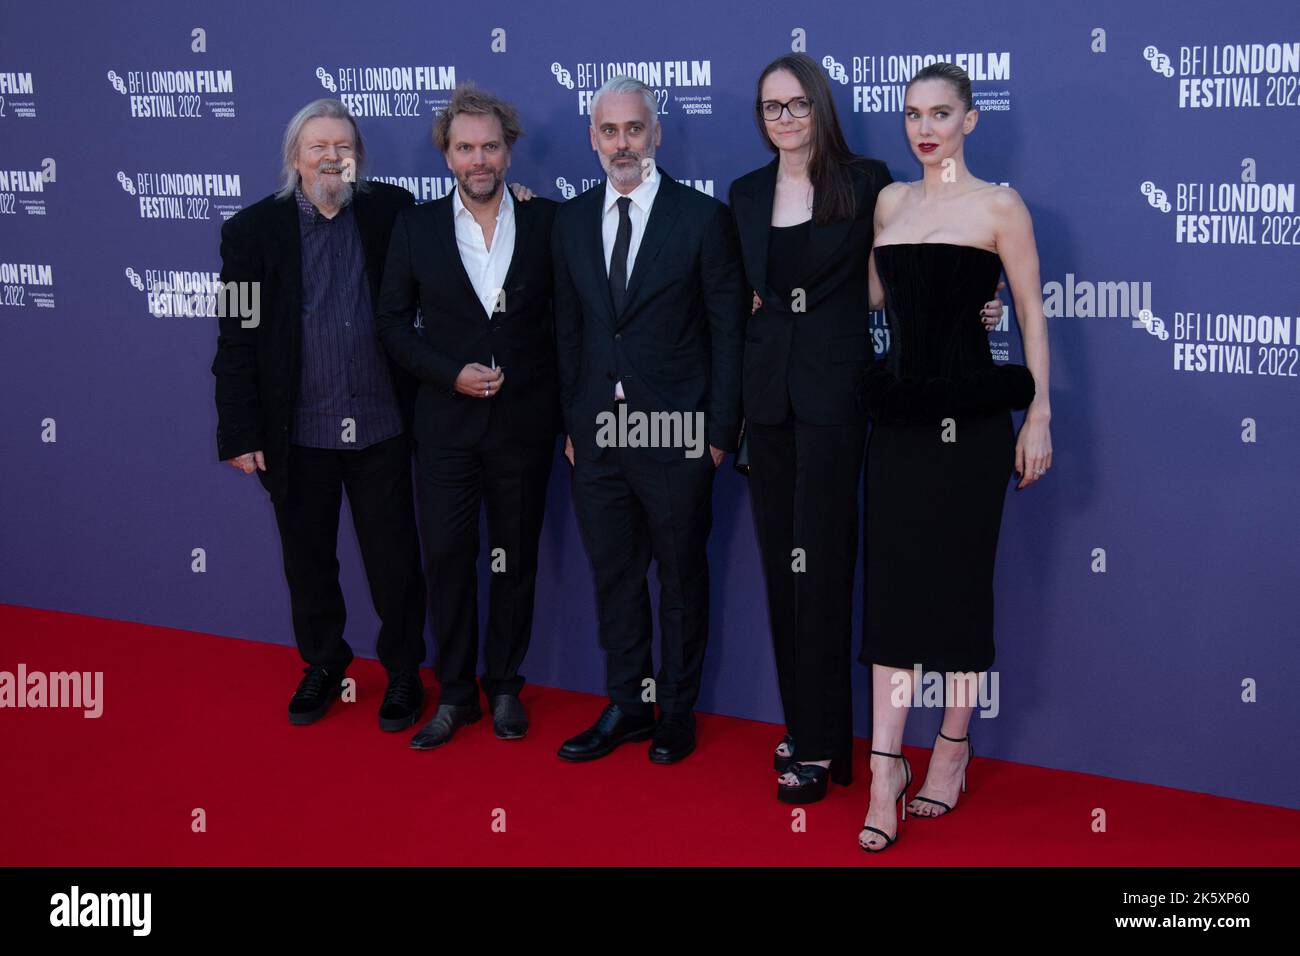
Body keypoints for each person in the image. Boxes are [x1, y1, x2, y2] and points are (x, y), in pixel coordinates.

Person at [729, 53, 1005, 803]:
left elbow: (903, 280)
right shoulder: (745, 194)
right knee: (781, 574)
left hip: (840, 400)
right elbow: (731, 296)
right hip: (767, 404)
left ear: (821, 106)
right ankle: (804, 727)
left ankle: (823, 748)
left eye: (796, 104)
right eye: (770, 106)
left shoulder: (868, 181)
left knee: (820, 570)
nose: (783, 119)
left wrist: (977, 302)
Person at [855, 61, 1051, 852]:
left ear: (971, 119)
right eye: (911, 114)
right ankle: (883, 768)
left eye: (940, 112)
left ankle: (951, 750)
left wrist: (1038, 413)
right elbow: (877, 296)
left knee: (962, 587)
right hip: (901, 420)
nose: (924, 126)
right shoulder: (890, 202)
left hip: (972, 423)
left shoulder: (1001, 205)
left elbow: (1033, 315)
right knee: (894, 594)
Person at [212, 98, 427, 731]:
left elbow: (464, 230)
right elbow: (237, 335)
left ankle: (405, 672)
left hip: (383, 424)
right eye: (318, 147)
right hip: (297, 432)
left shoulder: (394, 212)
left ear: (358, 155)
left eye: (343, 146)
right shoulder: (252, 233)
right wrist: (240, 429)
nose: (332, 157)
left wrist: (518, 198)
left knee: (394, 562)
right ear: (294, 159)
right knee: (307, 560)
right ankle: (324, 665)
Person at [551, 75, 746, 764]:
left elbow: (729, 336)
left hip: (678, 438)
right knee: (616, 577)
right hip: (598, 439)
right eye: (609, 131)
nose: (622, 142)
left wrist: (720, 436)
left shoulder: (702, 219)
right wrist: (572, 426)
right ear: (593, 139)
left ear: (657, 133)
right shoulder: (570, 222)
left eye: (634, 128)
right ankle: (629, 704)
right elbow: (568, 334)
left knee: (681, 578)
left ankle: (678, 710)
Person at [376, 84, 561, 749]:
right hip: (445, 428)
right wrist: (447, 372)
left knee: (514, 561)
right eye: (464, 148)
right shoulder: (416, 226)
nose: (478, 159)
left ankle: (505, 684)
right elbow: (393, 324)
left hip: (524, 427)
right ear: (447, 155)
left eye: (489, 146)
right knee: (450, 558)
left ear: (508, 150)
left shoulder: (548, 222)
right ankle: (455, 692)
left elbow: (568, 324)